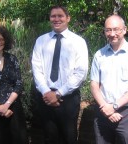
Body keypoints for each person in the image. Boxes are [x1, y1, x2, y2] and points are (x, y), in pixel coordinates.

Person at [31, 5, 89, 144]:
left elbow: (80, 72)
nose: (56, 19)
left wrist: (57, 94)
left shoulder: (78, 42)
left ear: (68, 18)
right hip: (45, 98)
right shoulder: (41, 41)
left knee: (69, 138)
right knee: (49, 137)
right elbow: (36, 68)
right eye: (53, 16)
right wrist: (46, 92)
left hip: (68, 99)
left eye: (60, 16)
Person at [90, 14, 128, 144]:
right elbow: (94, 84)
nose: (112, 33)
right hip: (103, 111)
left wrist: (114, 106)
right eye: (108, 30)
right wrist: (106, 108)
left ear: (125, 30)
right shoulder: (99, 55)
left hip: (126, 114)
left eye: (116, 29)